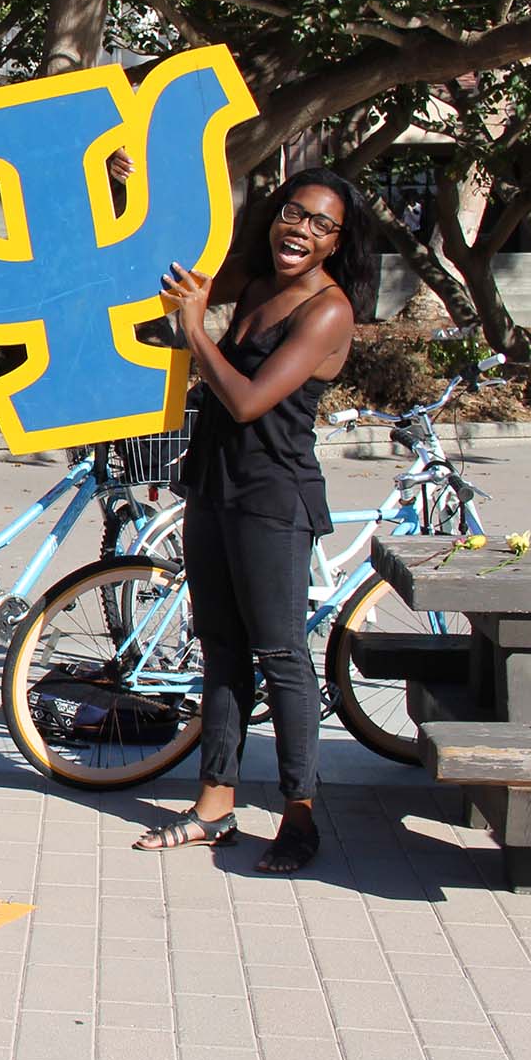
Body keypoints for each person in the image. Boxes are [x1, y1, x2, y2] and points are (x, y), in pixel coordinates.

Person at [137, 168, 360, 875]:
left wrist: (195, 330)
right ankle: (213, 805)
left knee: (282, 657)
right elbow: (178, 270)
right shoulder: (260, 286)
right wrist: (134, 183)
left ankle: (300, 816)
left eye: (322, 223)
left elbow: (248, 400)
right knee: (221, 647)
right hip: (213, 484)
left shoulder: (328, 310)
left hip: (273, 495)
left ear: (336, 242)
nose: (302, 229)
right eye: (295, 213)